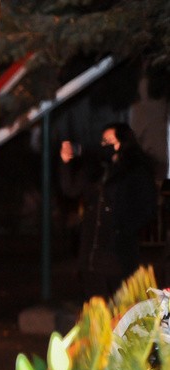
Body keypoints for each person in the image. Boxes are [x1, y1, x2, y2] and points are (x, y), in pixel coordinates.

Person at [60, 122, 157, 299]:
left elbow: (147, 208)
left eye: (110, 141)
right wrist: (66, 164)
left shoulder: (135, 171)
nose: (105, 146)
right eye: (103, 141)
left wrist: (123, 228)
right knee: (97, 312)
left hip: (117, 257)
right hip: (91, 256)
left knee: (119, 313)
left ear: (123, 143)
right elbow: (71, 190)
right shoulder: (95, 169)